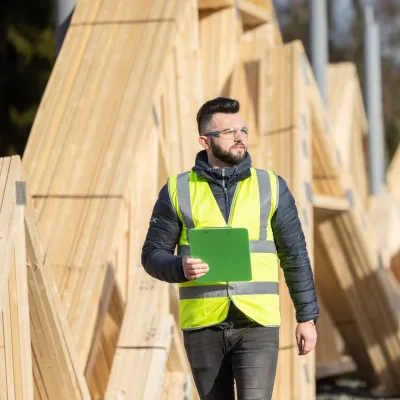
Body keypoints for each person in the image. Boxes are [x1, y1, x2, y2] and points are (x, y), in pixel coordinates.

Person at [141, 97, 319, 400]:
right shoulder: (176, 189)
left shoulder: (272, 186)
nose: (241, 138)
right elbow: (151, 255)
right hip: (202, 326)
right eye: (229, 132)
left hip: (258, 324)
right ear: (204, 140)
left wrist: (307, 317)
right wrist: (178, 267)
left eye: (243, 130)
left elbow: (295, 256)